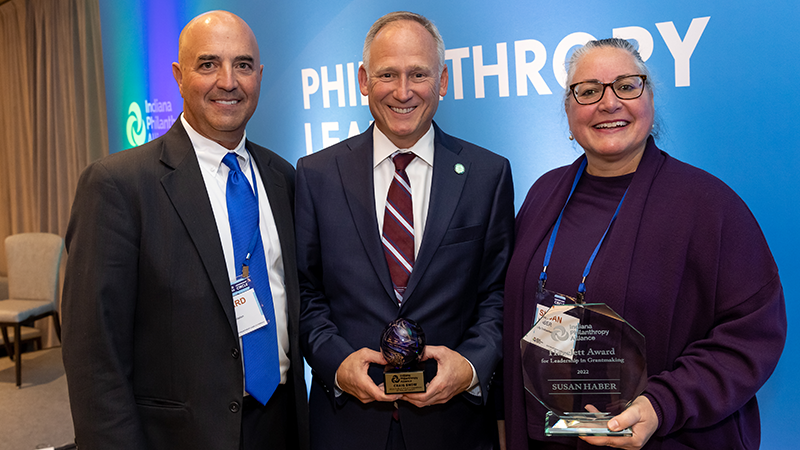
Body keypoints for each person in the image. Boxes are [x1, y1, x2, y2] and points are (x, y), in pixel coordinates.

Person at [503, 38, 786, 450]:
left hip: (665, 438)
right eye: (588, 91)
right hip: (545, 437)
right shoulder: (543, 194)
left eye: (626, 85)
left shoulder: (708, 205)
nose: (608, 103)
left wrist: (662, 403)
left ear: (650, 99)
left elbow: (752, 334)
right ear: (568, 111)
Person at [61, 10, 309, 450]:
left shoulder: (283, 177)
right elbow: (94, 354)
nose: (228, 81)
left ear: (260, 76)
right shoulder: (119, 185)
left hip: (281, 425)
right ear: (179, 75)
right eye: (208, 64)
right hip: (179, 437)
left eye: (243, 65)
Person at [296, 11, 515, 450]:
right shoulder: (316, 174)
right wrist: (336, 364)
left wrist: (471, 367)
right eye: (387, 74)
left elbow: (498, 294)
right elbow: (304, 292)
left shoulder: (487, 173)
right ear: (362, 79)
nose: (402, 91)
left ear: (443, 80)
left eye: (418, 74)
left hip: (452, 427)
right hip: (345, 427)